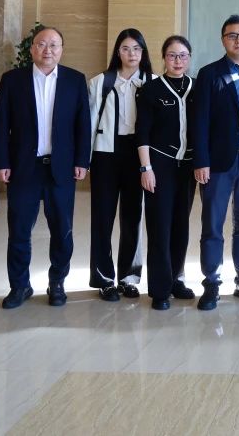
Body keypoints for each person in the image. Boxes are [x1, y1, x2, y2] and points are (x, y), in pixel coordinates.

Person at [0, 26, 92, 308]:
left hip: (61, 168)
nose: (48, 50)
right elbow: (2, 124)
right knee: (19, 230)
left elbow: (83, 125)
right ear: (32, 48)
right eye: (41, 44)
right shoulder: (12, 80)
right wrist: (1, 162)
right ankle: (19, 286)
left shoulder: (74, 80)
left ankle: (57, 282)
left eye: (54, 45)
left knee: (62, 230)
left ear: (62, 49)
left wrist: (82, 161)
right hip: (24, 167)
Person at [190, 14, 239, 310]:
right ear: (223, 40)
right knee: (212, 223)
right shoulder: (209, 74)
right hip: (218, 162)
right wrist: (201, 160)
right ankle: (212, 282)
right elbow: (199, 121)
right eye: (232, 35)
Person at [87, 28, 153, 302]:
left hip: (137, 154)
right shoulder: (101, 82)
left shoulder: (152, 82)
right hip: (105, 154)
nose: (131, 54)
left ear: (143, 52)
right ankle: (104, 278)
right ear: (118, 51)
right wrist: (84, 160)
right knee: (102, 217)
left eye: (136, 48)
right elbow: (89, 122)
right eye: (126, 48)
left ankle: (129, 277)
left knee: (133, 217)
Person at [135, 35, 198, 310]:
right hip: (160, 165)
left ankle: (176, 279)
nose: (177, 61)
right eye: (172, 55)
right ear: (163, 58)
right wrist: (146, 168)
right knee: (160, 225)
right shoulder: (151, 89)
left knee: (181, 225)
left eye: (183, 55)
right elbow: (142, 132)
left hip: (188, 167)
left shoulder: (197, 87)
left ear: (189, 58)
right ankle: (160, 290)